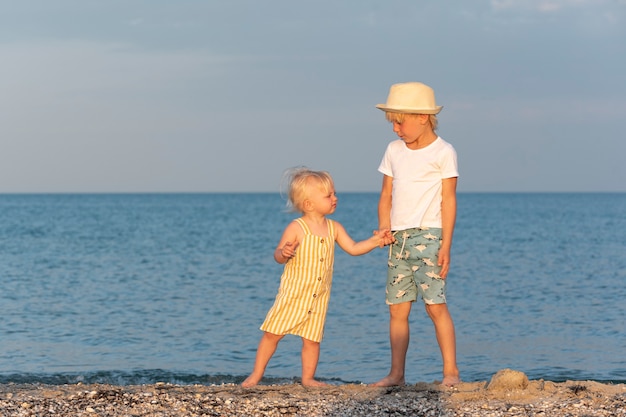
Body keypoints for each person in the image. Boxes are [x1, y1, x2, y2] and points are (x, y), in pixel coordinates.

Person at [242, 168, 393, 387]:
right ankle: (255, 375)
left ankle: (308, 378)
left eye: (334, 193)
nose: (335, 198)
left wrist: (376, 241)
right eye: (328, 195)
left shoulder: (334, 228)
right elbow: (278, 254)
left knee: (312, 340)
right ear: (308, 204)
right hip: (293, 294)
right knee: (273, 334)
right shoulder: (297, 228)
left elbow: (353, 248)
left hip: (318, 296)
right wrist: (283, 253)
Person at [372, 82, 461, 387]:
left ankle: (451, 372)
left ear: (423, 117)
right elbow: (386, 194)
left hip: (429, 236)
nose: (396, 129)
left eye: (401, 121)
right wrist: (384, 227)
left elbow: (448, 200)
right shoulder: (393, 151)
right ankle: (396, 374)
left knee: (435, 306)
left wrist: (446, 244)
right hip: (398, 239)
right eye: (393, 123)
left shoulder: (444, 152)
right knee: (397, 309)